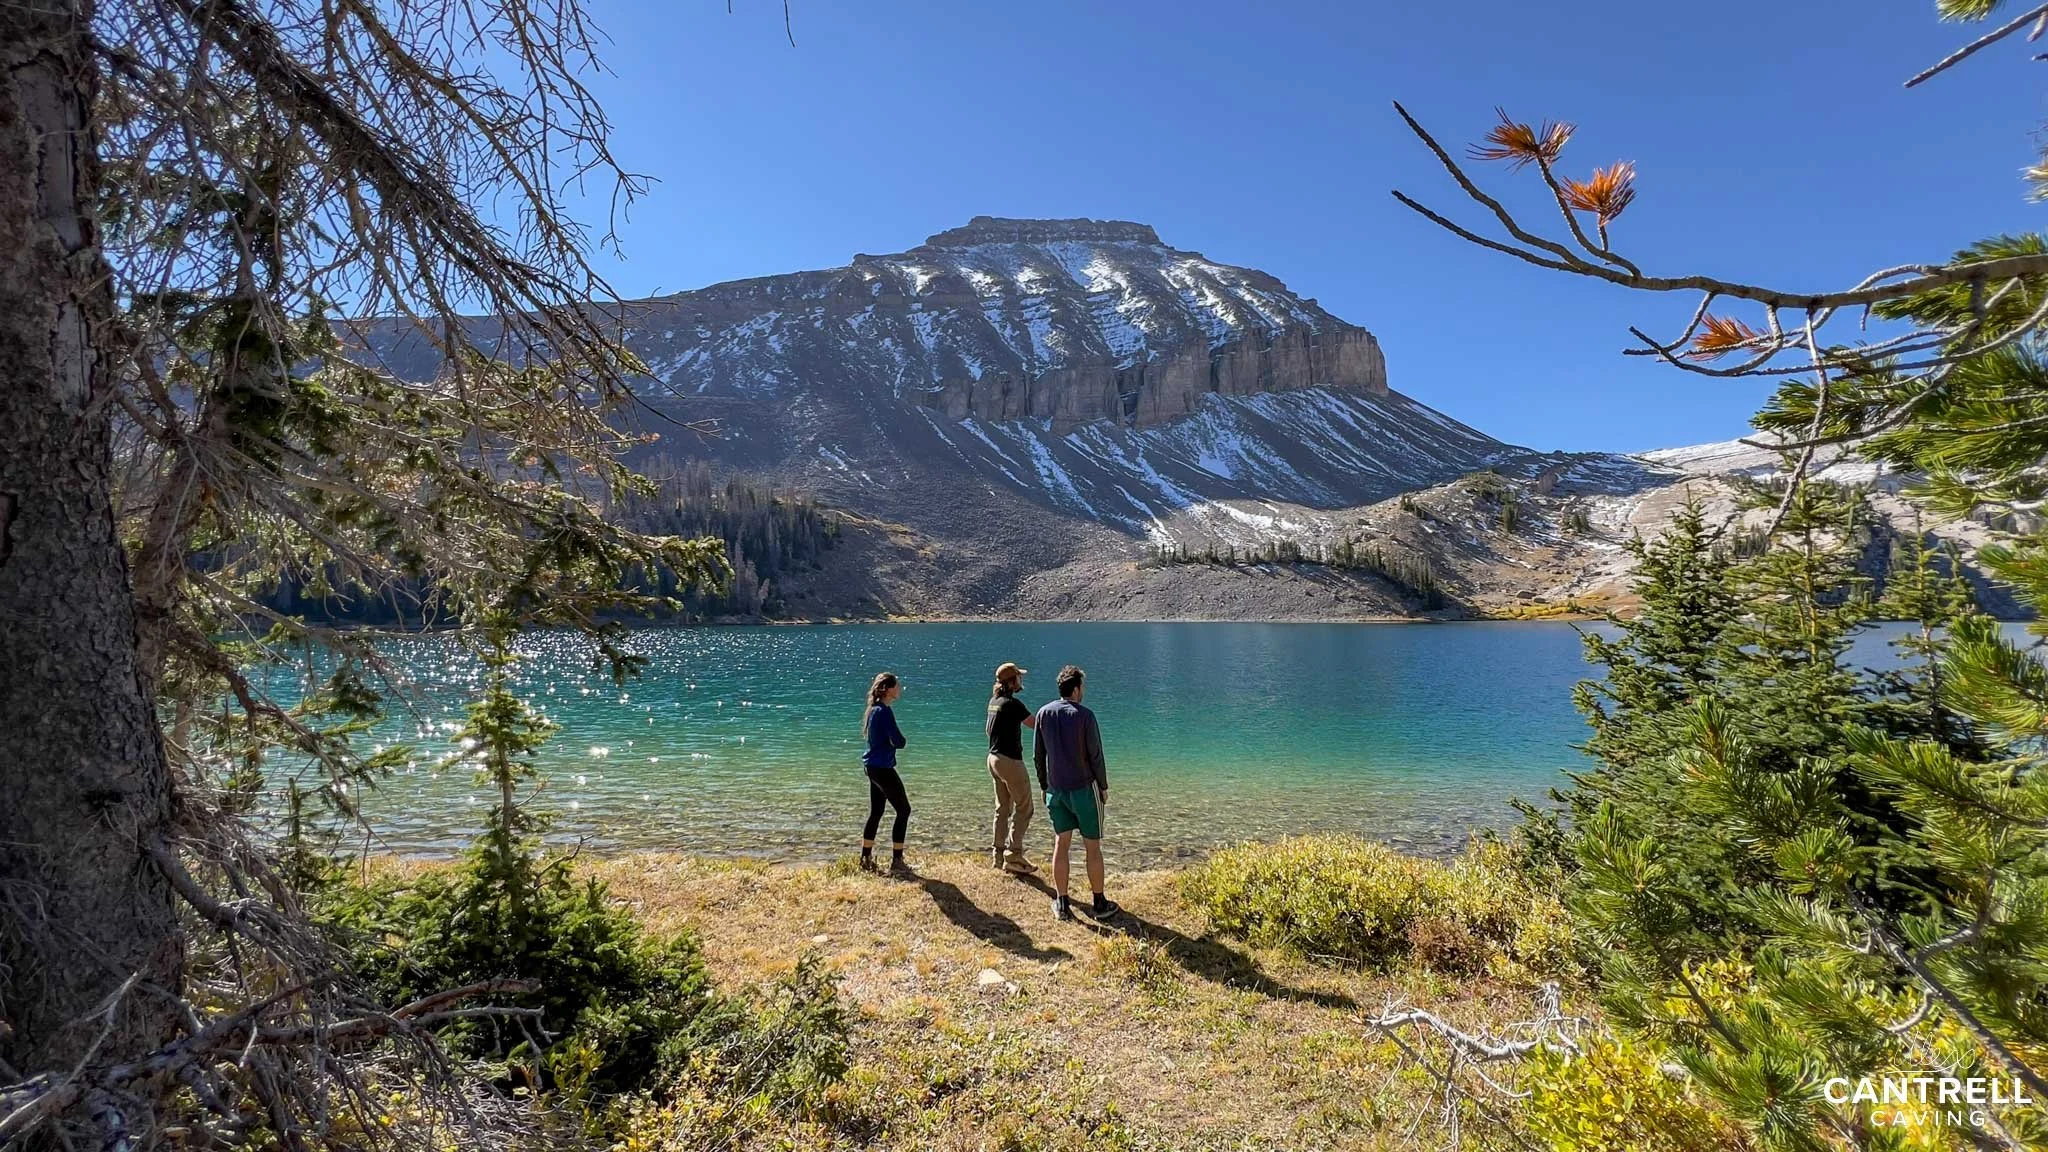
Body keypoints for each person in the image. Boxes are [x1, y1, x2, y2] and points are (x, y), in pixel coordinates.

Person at [1032, 665, 1118, 921]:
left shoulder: (1043, 714)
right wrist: (1103, 787)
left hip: (1056, 790)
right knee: (1093, 847)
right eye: (1083, 687)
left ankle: (1062, 902)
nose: (1084, 691)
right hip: (1084, 790)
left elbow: (1038, 755)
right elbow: (1096, 757)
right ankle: (1099, 904)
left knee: (1062, 843)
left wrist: (1044, 785)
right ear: (1077, 689)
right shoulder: (1085, 716)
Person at [985, 662, 1038, 875]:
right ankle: (1014, 855)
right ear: (1011, 681)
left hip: (993, 758)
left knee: (1002, 809)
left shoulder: (994, 701)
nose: (1021, 680)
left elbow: (988, 731)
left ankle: (998, 855)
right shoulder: (1012, 705)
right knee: (1025, 808)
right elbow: (1035, 724)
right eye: (1018, 677)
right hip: (1009, 761)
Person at [859, 671, 911, 872]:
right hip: (882, 768)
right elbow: (899, 740)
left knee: (877, 812)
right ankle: (897, 861)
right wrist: (900, 741)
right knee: (904, 810)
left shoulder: (873, 710)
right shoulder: (884, 712)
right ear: (888, 689)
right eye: (897, 686)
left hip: (872, 767)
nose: (900, 689)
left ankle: (865, 858)